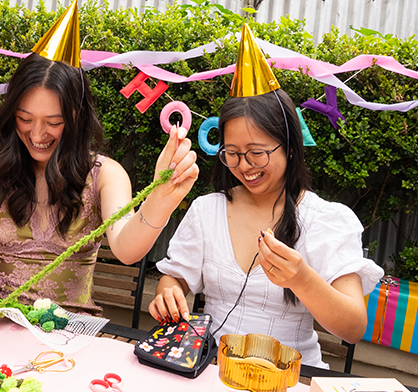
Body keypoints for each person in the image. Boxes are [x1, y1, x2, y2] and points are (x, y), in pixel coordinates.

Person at [148, 24, 384, 369]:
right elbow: (177, 277)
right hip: (211, 370)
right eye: (232, 152)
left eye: (257, 153)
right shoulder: (207, 210)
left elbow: (352, 328)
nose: (244, 166)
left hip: (291, 377)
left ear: (289, 147)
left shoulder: (325, 219)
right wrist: (168, 292)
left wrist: (302, 279)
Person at [0, 52, 198, 331]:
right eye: (24, 119)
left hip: (72, 335)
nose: (38, 134)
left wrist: (160, 200)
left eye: (54, 122)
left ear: (77, 117)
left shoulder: (106, 174)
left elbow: (127, 250)